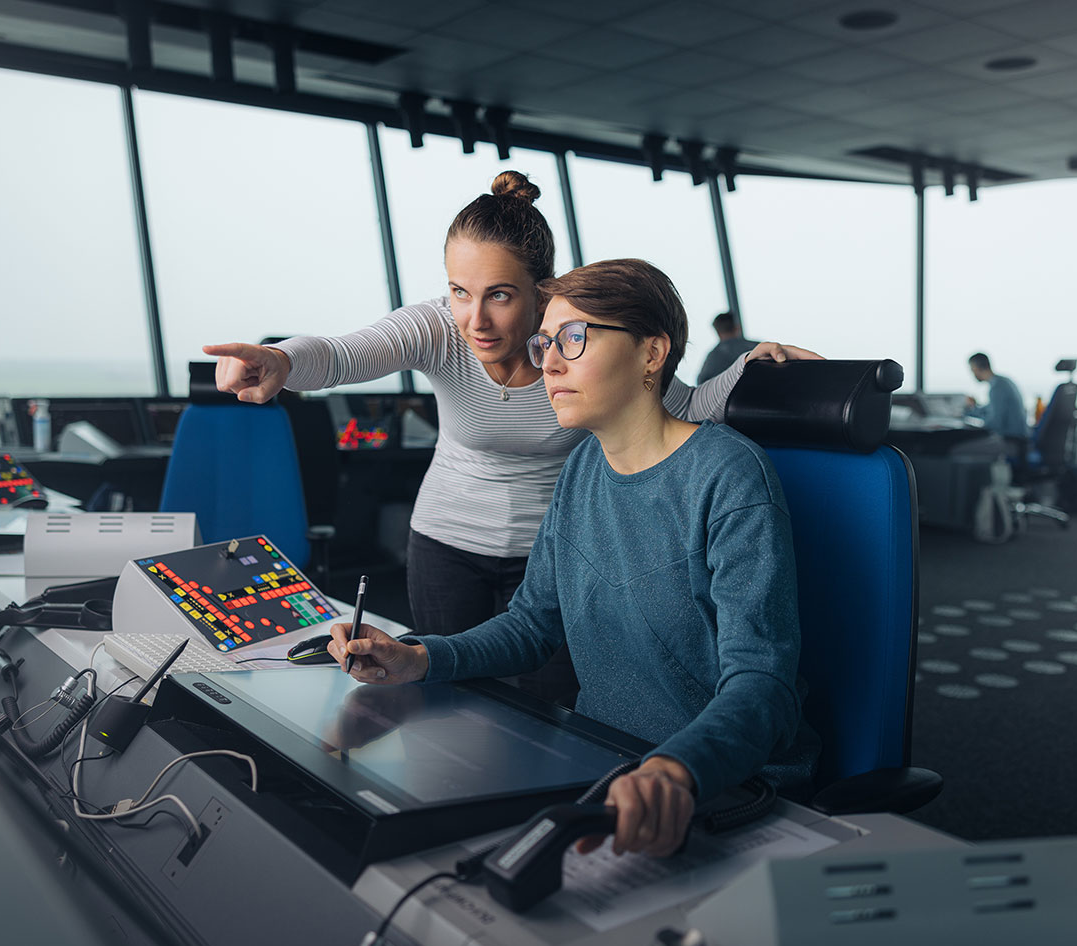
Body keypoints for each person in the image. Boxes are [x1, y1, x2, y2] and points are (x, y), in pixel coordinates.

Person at [204, 171, 821, 706]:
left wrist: (747, 371)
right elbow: (341, 354)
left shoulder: (576, 349)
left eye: (499, 295)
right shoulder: (440, 329)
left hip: (549, 552)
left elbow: (677, 409)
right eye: (459, 292)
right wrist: (280, 360)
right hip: (447, 540)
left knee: (555, 705)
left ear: (540, 290)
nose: (476, 320)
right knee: (451, 700)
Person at [322, 259, 819, 858]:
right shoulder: (583, 466)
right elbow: (535, 624)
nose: (548, 362)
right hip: (601, 763)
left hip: (714, 787)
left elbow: (763, 684)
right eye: (544, 342)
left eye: (574, 338)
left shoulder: (728, 475)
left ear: (651, 353)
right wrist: (419, 658)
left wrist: (675, 770)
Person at [964, 352, 1030, 453]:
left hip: (1012, 441)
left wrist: (972, 428)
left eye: (972, 370)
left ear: (976, 368)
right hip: (1018, 439)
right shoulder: (1002, 382)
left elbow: (994, 423)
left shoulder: (997, 388)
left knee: (962, 448)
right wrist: (973, 408)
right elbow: (990, 410)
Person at [696, 311, 759, 382]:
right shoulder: (757, 347)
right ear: (737, 328)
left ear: (718, 332)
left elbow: (701, 383)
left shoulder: (713, 357)